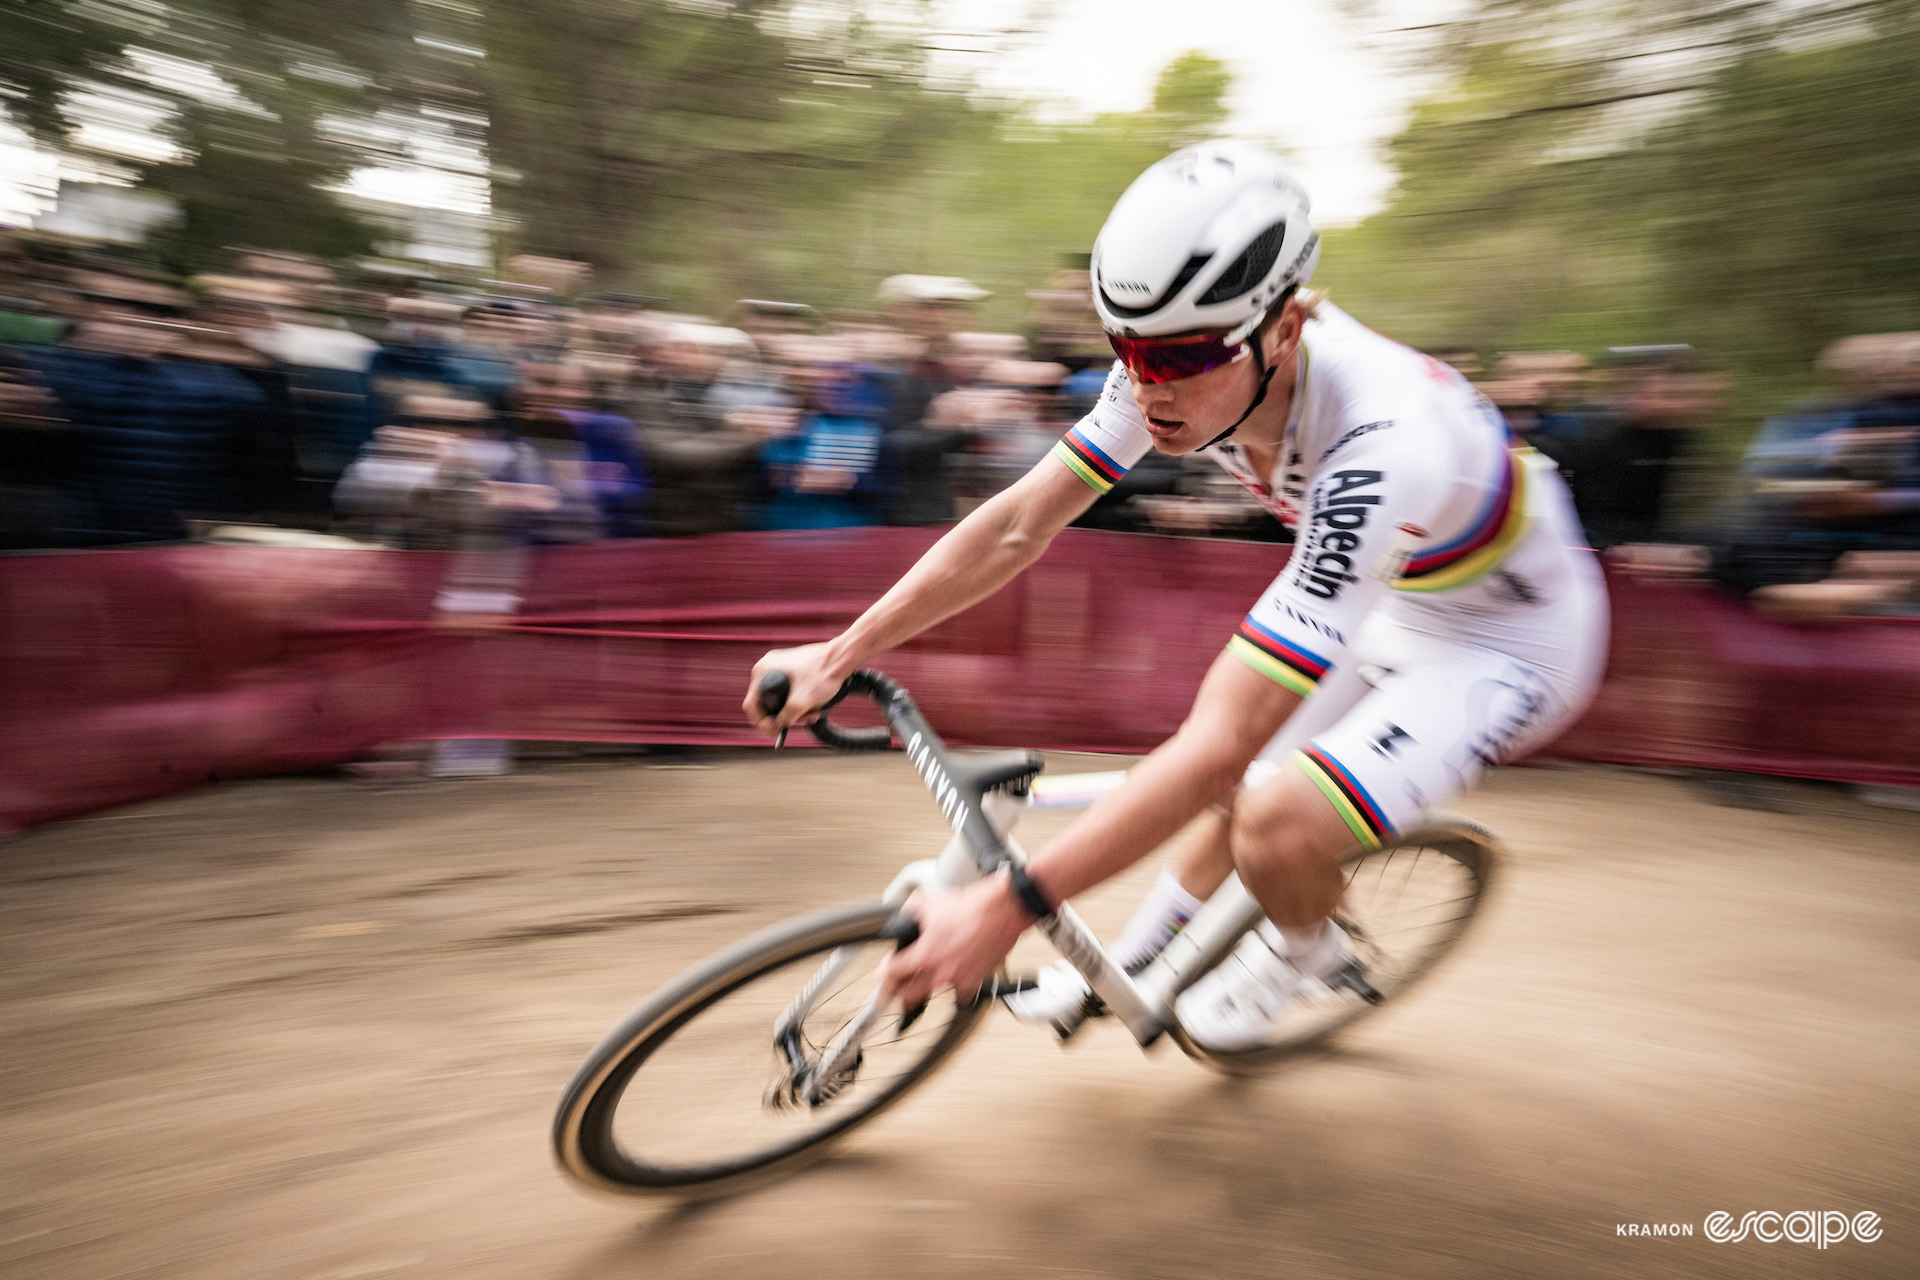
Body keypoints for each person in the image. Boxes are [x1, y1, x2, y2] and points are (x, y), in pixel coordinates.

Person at [742, 141, 1609, 1050]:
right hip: (1398, 591)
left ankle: (1303, 950)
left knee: (1269, 809)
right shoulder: (1179, 356)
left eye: (1186, 356)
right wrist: (839, 653)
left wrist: (1006, 910)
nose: (1151, 385)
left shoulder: (1381, 441)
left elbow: (1217, 750)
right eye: (1126, 347)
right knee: (1227, 776)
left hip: (1510, 638)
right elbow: (1016, 526)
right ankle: (1139, 967)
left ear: (1288, 325)